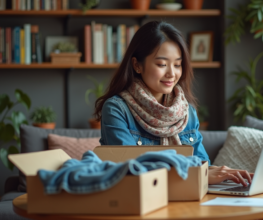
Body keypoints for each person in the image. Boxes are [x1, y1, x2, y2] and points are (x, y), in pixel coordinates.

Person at [94, 21, 253, 187]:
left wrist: (216, 173)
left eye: (177, 64)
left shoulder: (186, 111)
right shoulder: (117, 109)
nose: (172, 73)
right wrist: (199, 175)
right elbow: (130, 172)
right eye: (162, 64)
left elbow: (202, 165)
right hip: (140, 200)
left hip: (189, 196)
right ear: (137, 65)